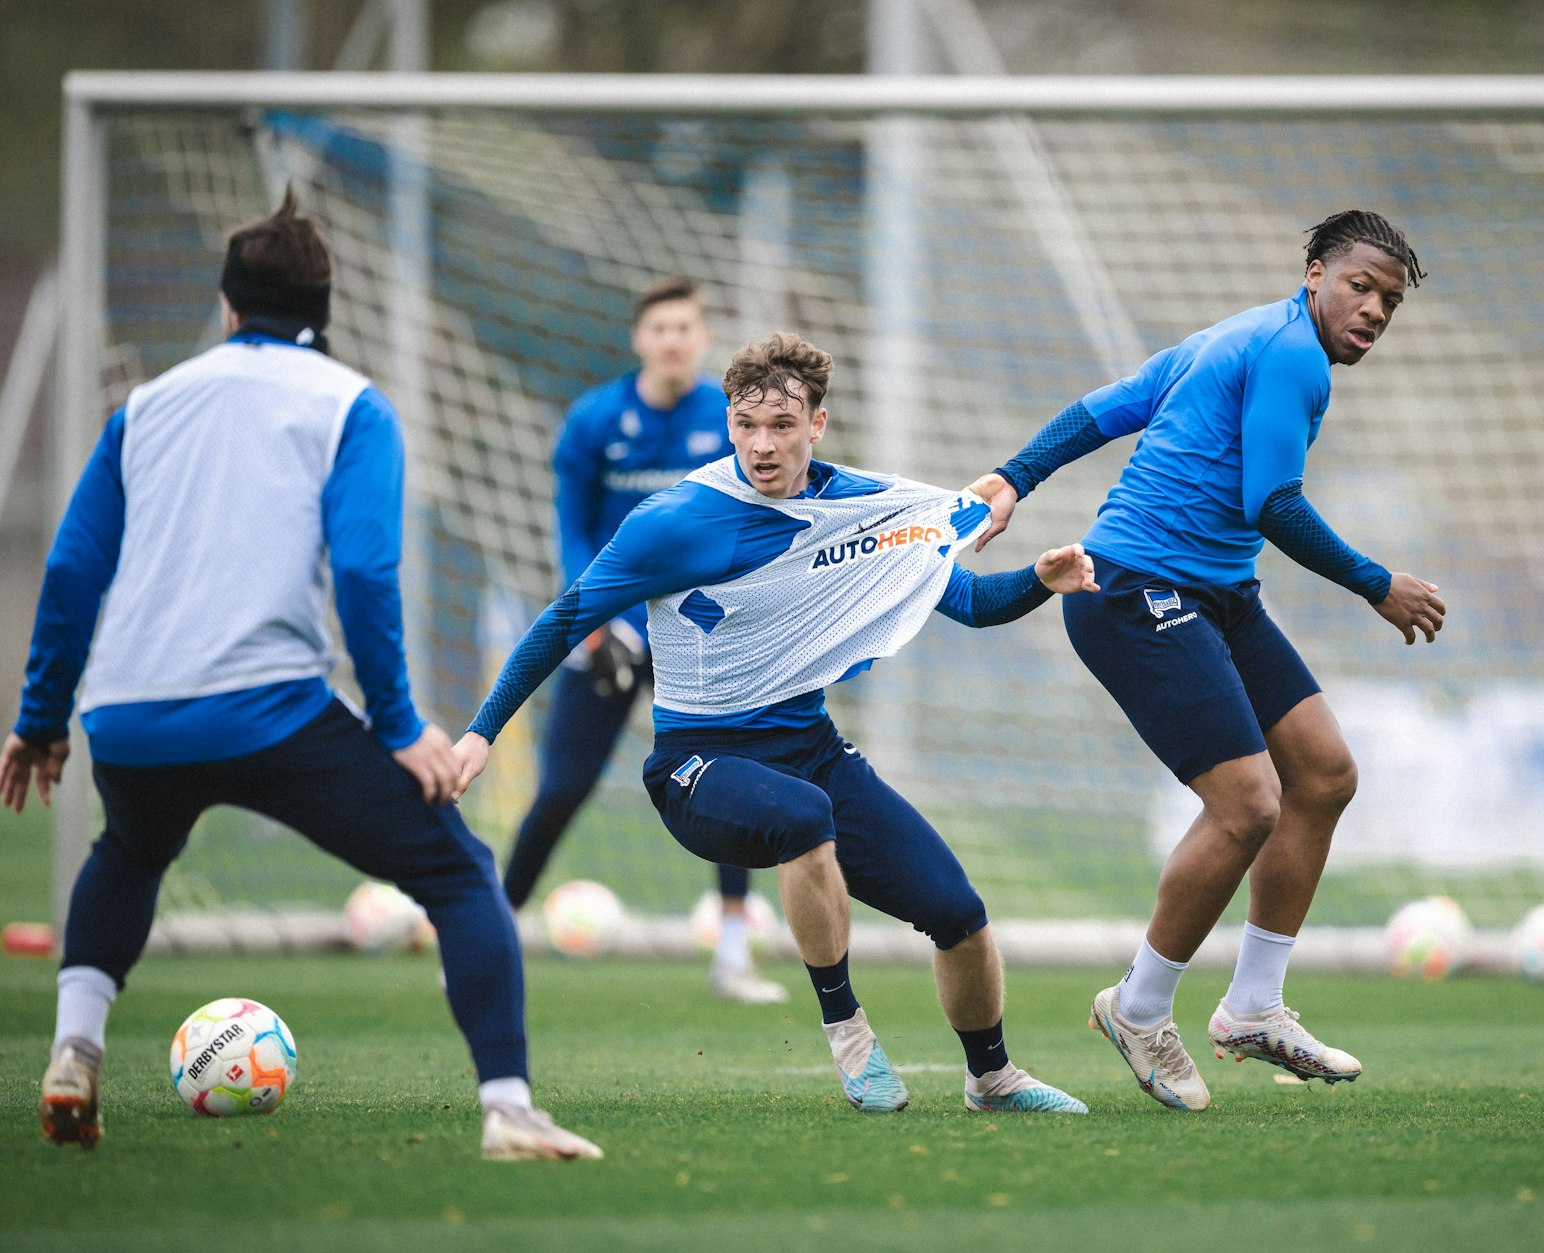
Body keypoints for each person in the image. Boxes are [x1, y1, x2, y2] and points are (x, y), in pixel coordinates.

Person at [3, 190, 599, 1160]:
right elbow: (363, 568)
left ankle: (76, 1045)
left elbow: (73, 568)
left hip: (130, 714)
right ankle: (508, 1107)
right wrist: (399, 724)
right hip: (270, 711)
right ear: (325, 307)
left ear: (228, 304)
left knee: (130, 850)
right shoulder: (351, 405)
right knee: (458, 871)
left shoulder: (143, 408)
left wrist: (40, 718)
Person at [454, 332, 1092, 1115]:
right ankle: (848, 1031)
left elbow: (971, 602)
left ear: (817, 424)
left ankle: (992, 1077)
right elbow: (564, 618)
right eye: (746, 424)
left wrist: (1041, 580)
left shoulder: (862, 509)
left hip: (812, 752)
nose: (762, 444)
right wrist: (481, 732)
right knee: (803, 816)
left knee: (959, 914)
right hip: (695, 766)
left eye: (782, 425)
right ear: (728, 423)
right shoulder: (678, 520)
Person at [968, 210, 1447, 1110]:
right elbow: (1273, 503)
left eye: (1389, 301)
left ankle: (1255, 1007)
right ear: (1315, 273)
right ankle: (1138, 1007)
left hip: (1217, 592)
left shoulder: (1238, 334)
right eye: (1361, 286)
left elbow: (1103, 408)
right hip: (1136, 589)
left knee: (1324, 774)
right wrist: (1376, 582)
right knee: (1249, 804)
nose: (1375, 310)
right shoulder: (1291, 354)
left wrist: (1014, 476)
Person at [506, 275, 786, 1005]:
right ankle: (490, 936)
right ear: (639, 338)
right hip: (611, 628)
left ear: (702, 338)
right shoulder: (594, 421)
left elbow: (753, 521)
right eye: (659, 328)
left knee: (730, 779)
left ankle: (733, 956)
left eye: (684, 327)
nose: (672, 340)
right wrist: (594, 622)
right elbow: (572, 529)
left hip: (698, 631)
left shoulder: (732, 420)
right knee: (563, 787)